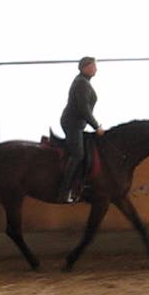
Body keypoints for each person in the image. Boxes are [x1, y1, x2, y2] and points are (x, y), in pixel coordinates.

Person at [56, 56, 105, 203]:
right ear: (85, 68)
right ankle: (64, 191)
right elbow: (83, 109)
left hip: (77, 124)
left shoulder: (83, 82)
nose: (96, 69)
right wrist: (96, 126)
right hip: (73, 123)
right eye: (93, 66)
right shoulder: (81, 83)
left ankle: (81, 186)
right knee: (77, 154)